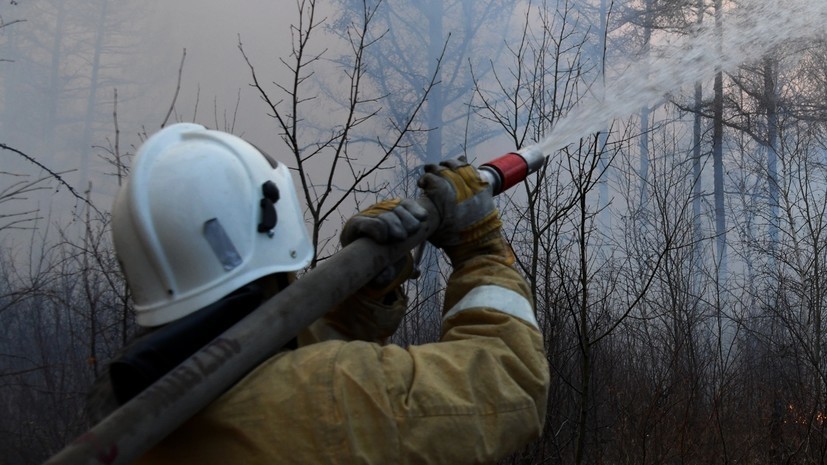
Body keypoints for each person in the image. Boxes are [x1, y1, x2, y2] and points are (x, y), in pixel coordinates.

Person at [92, 123, 549, 464]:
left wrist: (366, 290)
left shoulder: (131, 410)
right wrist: (481, 249)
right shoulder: (331, 392)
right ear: (272, 221)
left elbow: (276, 371)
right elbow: (511, 384)